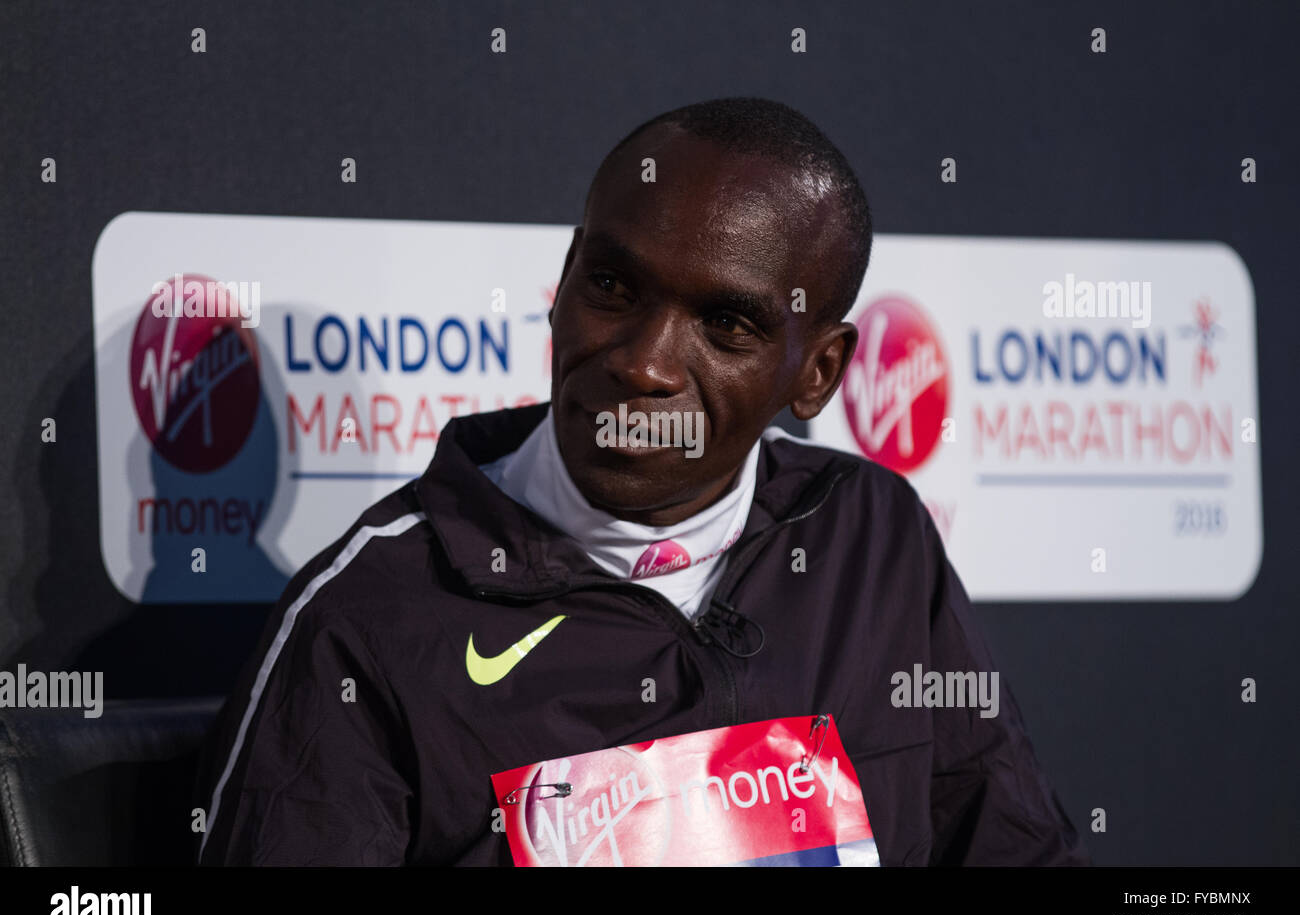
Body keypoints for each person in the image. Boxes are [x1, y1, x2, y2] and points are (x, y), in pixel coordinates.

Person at [195, 96, 1089, 866]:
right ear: (562, 279)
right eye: (614, 286)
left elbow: (1006, 841)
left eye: (726, 324)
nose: (646, 365)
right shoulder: (369, 618)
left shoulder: (871, 535)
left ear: (815, 374)